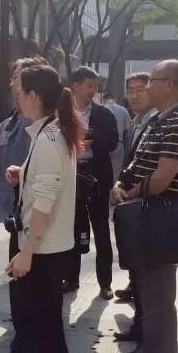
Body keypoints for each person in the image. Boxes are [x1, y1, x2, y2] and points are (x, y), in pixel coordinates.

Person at [112, 59, 178, 353]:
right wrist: (121, 184)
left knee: (160, 305)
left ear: (171, 85)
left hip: (161, 221)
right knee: (148, 301)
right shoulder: (158, 120)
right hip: (144, 218)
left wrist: (129, 194)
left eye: (153, 80)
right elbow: (135, 163)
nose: (147, 86)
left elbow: (162, 180)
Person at [2, 64, 79, 353]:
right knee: (44, 327)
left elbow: (45, 202)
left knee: (48, 332)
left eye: (19, 90)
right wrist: (25, 174)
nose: (15, 95)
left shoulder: (49, 139)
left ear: (33, 95)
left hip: (45, 252)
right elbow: (49, 186)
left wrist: (26, 251)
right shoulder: (50, 133)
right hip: (48, 248)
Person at [0, 56, 48, 353]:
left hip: (35, 222)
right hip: (16, 216)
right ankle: (26, 344)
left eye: (17, 78)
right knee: (21, 287)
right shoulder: (10, 124)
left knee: (30, 289)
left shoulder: (46, 131)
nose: (12, 84)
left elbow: (48, 188)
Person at [113, 72, 158, 353]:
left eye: (141, 89)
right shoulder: (134, 122)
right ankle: (139, 325)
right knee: (136, 272)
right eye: (130, 90)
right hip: (131, 203)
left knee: (150, 280)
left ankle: (148, 341)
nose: (135, 95)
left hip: (149, 204)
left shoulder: (156, 123)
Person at [63, 66, 118, 300]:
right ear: (76, 85)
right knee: (73, 229)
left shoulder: (104, 114)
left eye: (95, 86)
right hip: (72, 175)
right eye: (89, 86)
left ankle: (105, 283)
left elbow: (113, 142)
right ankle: (71, 278)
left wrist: (92, 137)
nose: (93, 90)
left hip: (97, 177)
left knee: (101, 230)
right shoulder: (63, 112)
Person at [102, 92, 132, 184]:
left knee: (103, 170)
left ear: (104, 100)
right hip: (118, 143)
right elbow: (129, 127)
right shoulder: (123, 109)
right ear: (114, 99)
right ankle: (114, 191)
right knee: (116, 170)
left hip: (103, 145)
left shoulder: (101, 109)